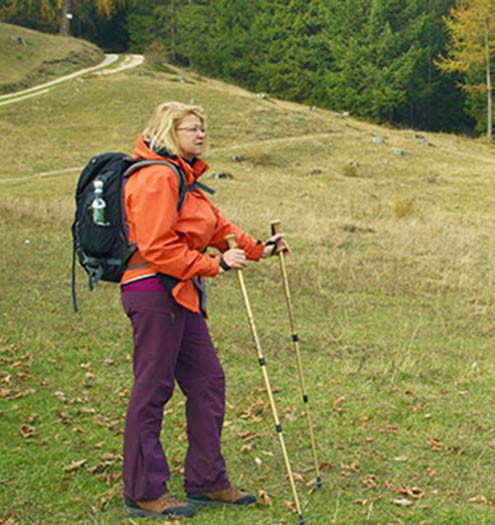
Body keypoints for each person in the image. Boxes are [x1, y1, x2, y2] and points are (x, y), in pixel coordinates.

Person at [118, 102, 287, 519]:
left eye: (202, 129)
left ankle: (206, 481)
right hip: (154, 291)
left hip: (181, 294)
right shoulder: (156, 177)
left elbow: (218, 229)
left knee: (208, 381)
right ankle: (143, 490)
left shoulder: (186, 179)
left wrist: (260, 249)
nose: (200, 135)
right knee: (152, 389)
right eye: (192, 128)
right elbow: (157, 247)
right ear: (168, 131)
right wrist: (213, 265)